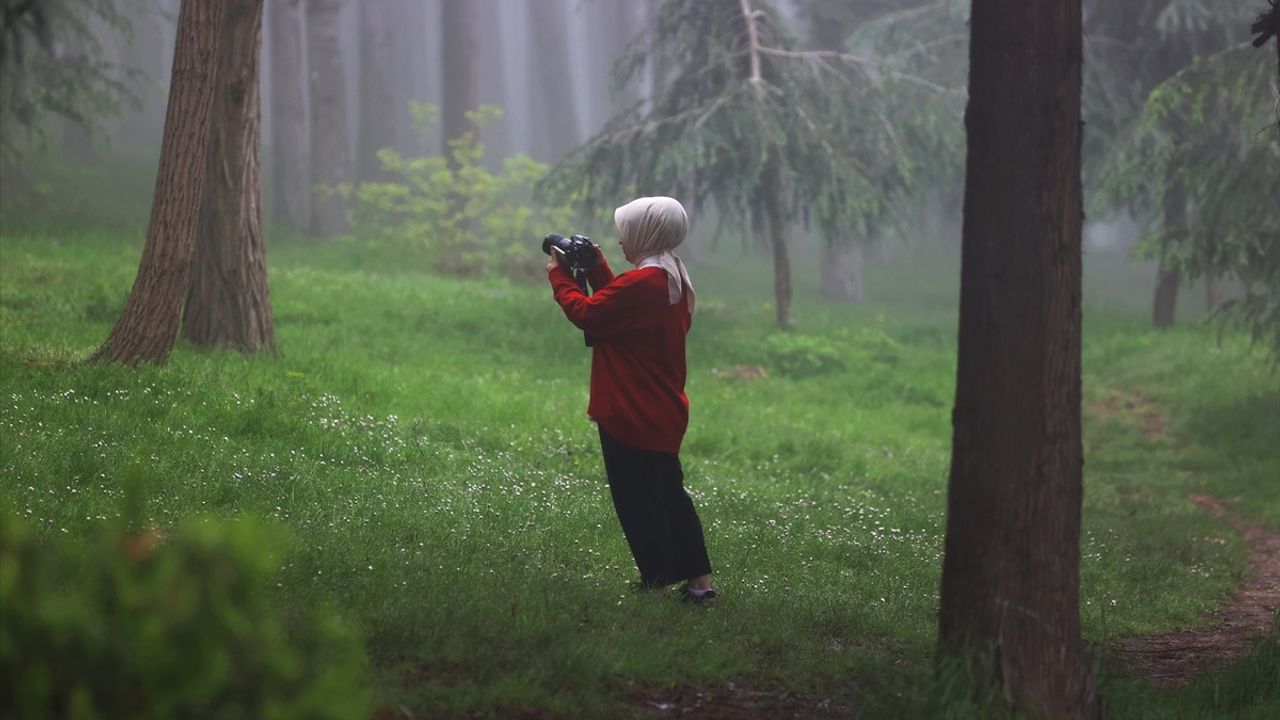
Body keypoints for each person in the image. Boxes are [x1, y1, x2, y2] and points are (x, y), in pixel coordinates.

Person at [546, 196, 716, 603]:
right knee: (671, 497)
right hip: (661, 408)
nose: (622, 240)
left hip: (631, 408)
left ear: (647, 232)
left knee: (639, 502)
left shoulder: (646, 282)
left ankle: (656, 582)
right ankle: (699, 585)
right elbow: (623, 309)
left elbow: (590, 314)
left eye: (627, 231)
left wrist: (559, 276)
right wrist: (599, 267)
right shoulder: (670, 274)